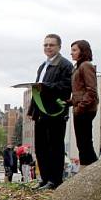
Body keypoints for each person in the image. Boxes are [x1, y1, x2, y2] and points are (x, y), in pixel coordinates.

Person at [27, 33, 74, 190]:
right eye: (46, 45)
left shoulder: (65, 66)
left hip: (55, 113)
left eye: (51, 45)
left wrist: (46, 87)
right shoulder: (43, 66)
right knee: (41, 147)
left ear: (59, 47)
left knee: (55, 147)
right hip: (41, 113)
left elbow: (66, 88)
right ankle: (45, 178)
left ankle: (55, 180)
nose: (48, 47)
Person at [69, 39, 99, 166]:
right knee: (82, 143)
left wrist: (80, 107)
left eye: (74, 50)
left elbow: (91, 90)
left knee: (84, 143)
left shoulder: (86, 66)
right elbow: (80, 92)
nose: (71, 53)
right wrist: (70, 102)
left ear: (83, 51)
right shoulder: (79, 67)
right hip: (81, 108)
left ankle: (93, 170)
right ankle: (87, 169)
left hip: (85, 110)